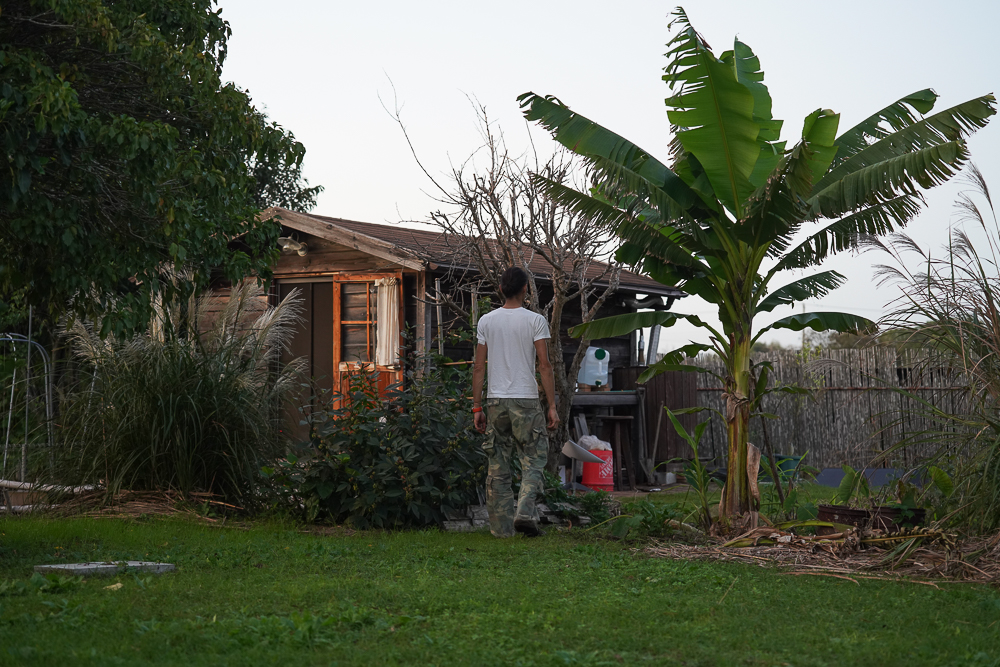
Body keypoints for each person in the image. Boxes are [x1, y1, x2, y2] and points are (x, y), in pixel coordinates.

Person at [472, 267, 560, 537]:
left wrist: (477, 406)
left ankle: (501, 530)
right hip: (525, 400)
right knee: (533, 458)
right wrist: (552, 405)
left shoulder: (486, 321)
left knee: (497, 463)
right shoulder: (535, 321)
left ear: (500, 289)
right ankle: (524, 510)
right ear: (525, 290)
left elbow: (478, 368)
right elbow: (544, 365)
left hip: (495, 400)